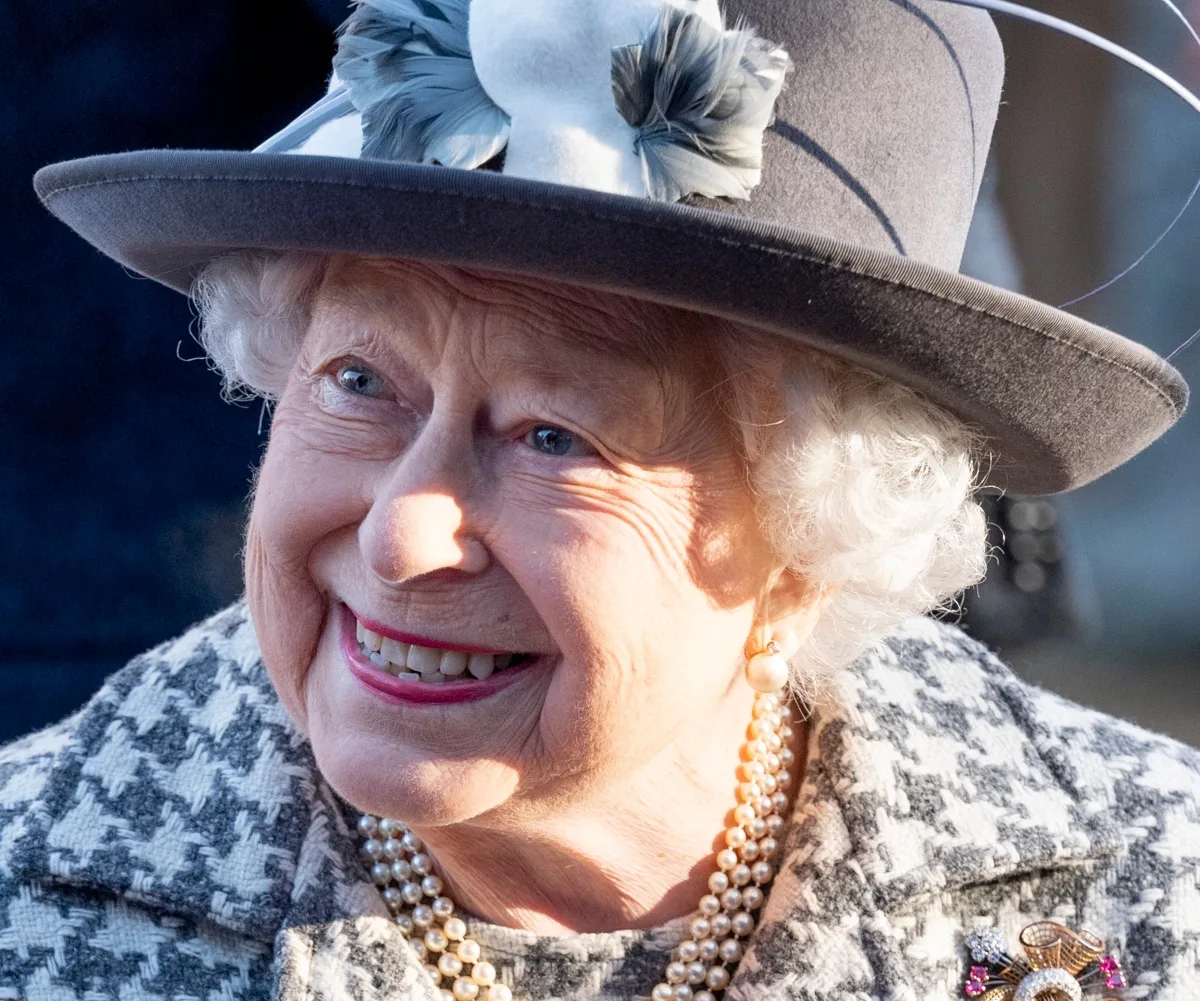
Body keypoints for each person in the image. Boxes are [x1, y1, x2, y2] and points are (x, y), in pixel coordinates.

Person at [2, 0, 1196, 998]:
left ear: (809, 540)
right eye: (358, 380)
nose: (405, 533)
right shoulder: (32, 903)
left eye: (553, 435)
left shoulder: (1150, 896)